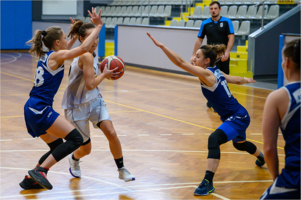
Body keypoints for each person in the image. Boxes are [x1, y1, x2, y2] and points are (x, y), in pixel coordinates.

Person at [147, 32, 265, 196]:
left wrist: (162, 47)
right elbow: (235, 80)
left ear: (206, 61)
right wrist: (246, 79)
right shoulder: (216, 72)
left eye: (197, 56)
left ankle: (208, 182)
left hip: (237, 117)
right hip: (237, 114)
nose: (193, 59)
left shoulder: (207, 74)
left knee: (213, 139)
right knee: (240, 144)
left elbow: (180, 62)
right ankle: (262, 157)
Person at [19, 8, 103, 190]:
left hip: (31, 108)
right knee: (75, 139)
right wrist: (98, 27)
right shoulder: (56, 56)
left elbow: (70, 47)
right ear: (57, 42)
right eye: (65, 38)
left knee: (57, 146)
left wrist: (73, 34)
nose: (67, 40)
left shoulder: (50, 55)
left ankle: (31, 177)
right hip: (40, 108)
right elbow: (81, 48)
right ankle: (41, 170)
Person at [61, 21, 135, 182]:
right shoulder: (85, 55)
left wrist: (103, 66)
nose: (95, 41)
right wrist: (104, 74)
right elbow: (90, 84)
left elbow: (92, 81)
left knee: (111, 132)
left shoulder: (92, 52)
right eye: (91, 37)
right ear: (82, 39)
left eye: (97, 37)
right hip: (76, 106)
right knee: (86, 149)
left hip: (94, 100)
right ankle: (74, 159)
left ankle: (121, 169)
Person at [260, 39, 300, 199]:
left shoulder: (278, 97)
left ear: (287, 63)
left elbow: (269, 149)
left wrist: (276, 178)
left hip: (295, 178)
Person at [190, 1, 234, 109]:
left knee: (223, 78)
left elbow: (231, 38)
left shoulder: (227, 22)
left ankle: (223, 101)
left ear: (219, 9)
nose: (213, 10)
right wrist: (193, 55)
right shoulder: (205, 23)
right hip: (210, 57)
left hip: (223, 56)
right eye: (211, 9)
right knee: (212, 78)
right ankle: (212, 102)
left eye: (215, 8)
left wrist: (227, 52)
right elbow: (199, 40)